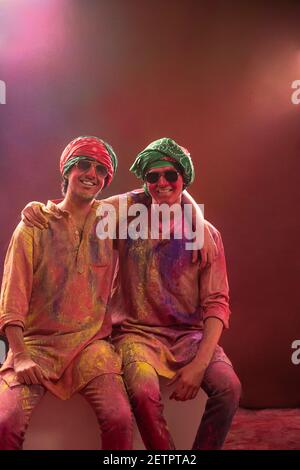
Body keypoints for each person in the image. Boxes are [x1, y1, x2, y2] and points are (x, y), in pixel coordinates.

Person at [21, 137, 237, 450]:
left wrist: (200, 364)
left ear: (183, 179)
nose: (161, 183)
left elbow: (217, 302)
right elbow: (79, 205)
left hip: (189, 336)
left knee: (230, 389)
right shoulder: (127, 211)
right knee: (142, 392)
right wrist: (40, 208)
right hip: (136, 335)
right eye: (152, 177)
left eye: (170, 176)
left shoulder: (205, 234)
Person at [0, 136, 133, 450]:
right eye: (84, 165)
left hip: (91, 345)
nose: (92, 174)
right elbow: (12, 296)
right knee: (5, 424)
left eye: (101, 170)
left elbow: (156, 197)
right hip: (37, 345)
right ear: (67, 171)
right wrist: (19, 356)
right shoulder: (33, 226)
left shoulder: (110, 219)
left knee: (120, 418)